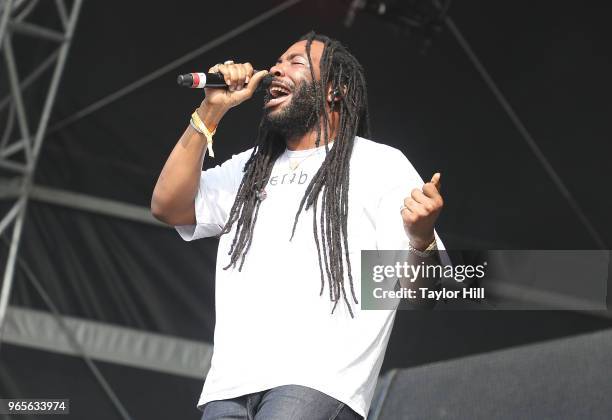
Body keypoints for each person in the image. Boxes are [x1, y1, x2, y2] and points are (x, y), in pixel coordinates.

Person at [151, 31, 444, 420]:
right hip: (230, 384)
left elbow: (422, 289)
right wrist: (210, 112)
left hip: (319, 381)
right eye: (277, 61)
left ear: (335, 90)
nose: (275, 69)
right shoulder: (250, 167)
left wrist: (421, 236)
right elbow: (168, 206)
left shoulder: (380, 165)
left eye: (295, 62)